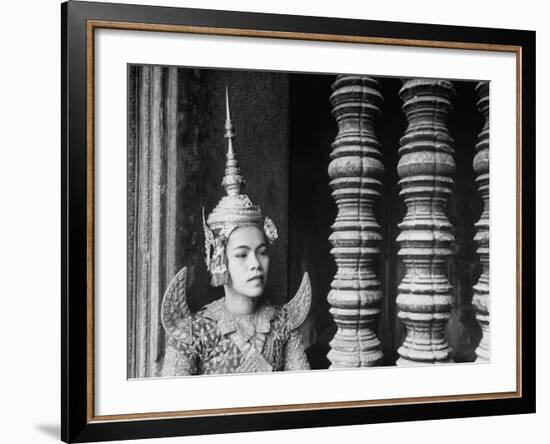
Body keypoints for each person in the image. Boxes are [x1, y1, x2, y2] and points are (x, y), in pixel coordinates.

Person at [160, 89, 311, 376]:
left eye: (262, 252)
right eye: (241, 254)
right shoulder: (194, 332)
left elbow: (302, 397)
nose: (256, 264)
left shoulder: (282, 325)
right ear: (219, 258)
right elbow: (170, 412)